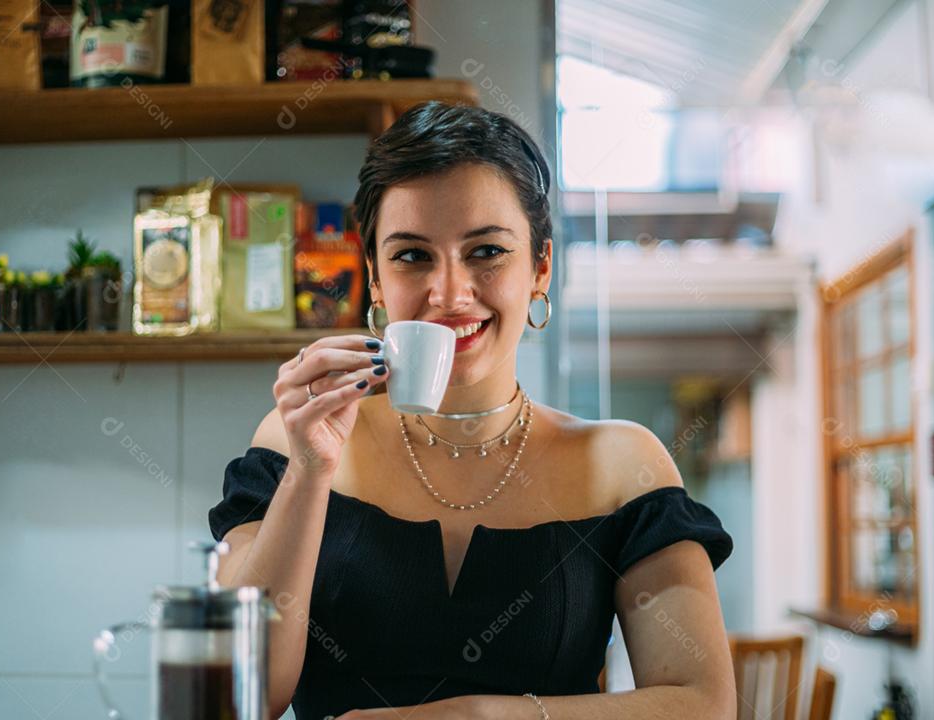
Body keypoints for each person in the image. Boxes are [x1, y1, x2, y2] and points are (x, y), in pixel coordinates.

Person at [209, 101, 736, 719]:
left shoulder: (623, 464)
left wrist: (476, 717)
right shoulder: (293, 441)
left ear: (540, 268)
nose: (451, 294)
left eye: (486, 251)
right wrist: (308, 471)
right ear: (375, 279)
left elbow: (702, 705)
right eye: (411, 255)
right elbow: (237, 699)